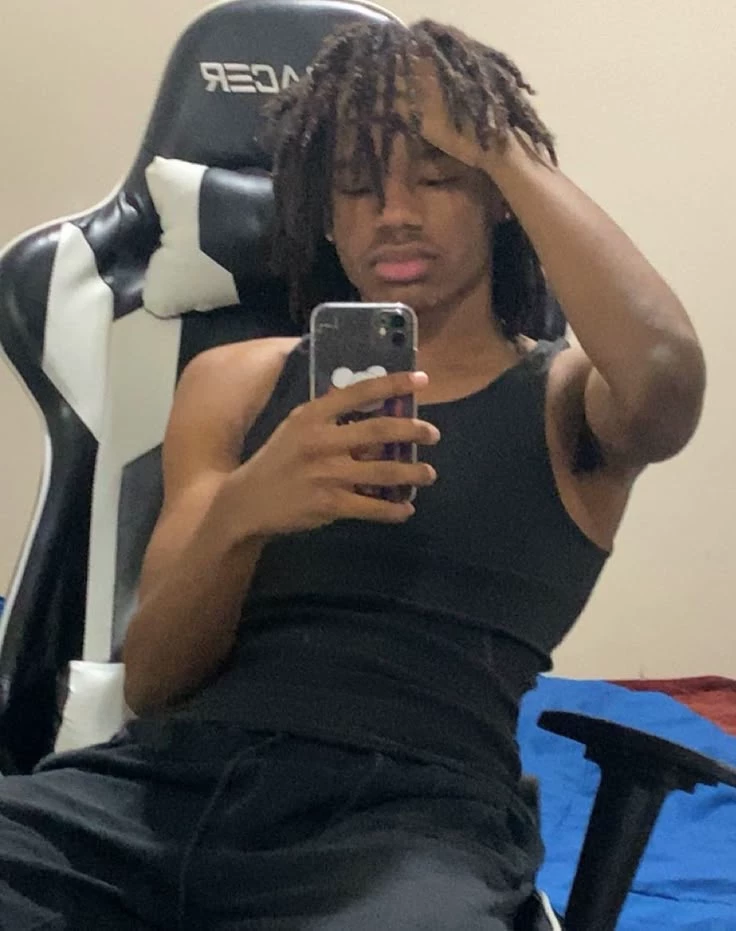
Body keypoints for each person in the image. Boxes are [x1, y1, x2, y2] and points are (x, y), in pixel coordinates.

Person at [0, 18, 704, 931]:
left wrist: (501, 148)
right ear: (324, 214)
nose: (394, 212)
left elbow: (665, 370)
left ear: (496, 198)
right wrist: (246, 510)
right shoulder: (233, 382)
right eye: (356, 186)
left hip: (411, 821)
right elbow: (155, 683)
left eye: (437, 178)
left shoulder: (567, 402)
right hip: (159, 790)